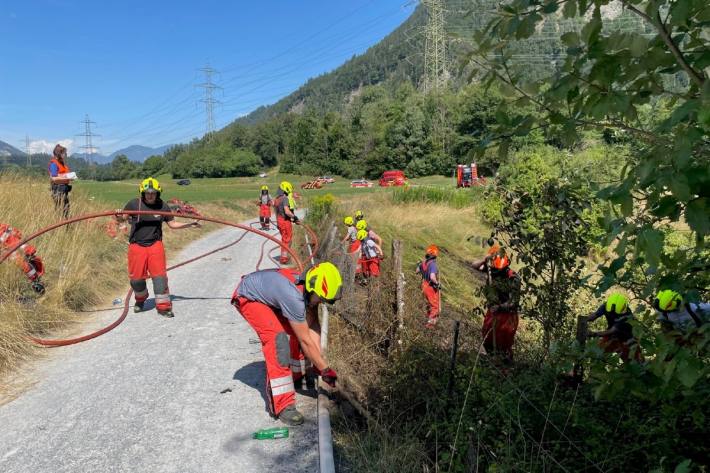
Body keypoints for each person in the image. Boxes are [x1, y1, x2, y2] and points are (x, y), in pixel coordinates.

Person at [232, 262, 341, 425]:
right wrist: (325, 369)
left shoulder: (309, 292)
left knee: (300, 329)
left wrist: (319, 363)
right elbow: (305, 340)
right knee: (278, 340)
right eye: (321, 298)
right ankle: (283, 405)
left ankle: (296, 376)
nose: (321, 302)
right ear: (312, 288)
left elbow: (313, 326)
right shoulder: (293, 297)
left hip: (268, 296)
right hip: (249, 297)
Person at [116, 177, 200, 318]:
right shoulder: (134, 204)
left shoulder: (163, 206)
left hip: (155, 245)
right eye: (147, 193)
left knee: (160, 279)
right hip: (137, 246)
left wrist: (190, 224)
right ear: (142, 193)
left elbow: (172, 224)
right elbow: (122, 219)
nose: (150, 195)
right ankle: (140, 299)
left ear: (158, 193)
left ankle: (164, 307)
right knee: (136, 280)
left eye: (153, 193)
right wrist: (118, 215)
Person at [473, 250, 521, 361]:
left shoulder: (513, 278)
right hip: (493, 312)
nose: (495, 272)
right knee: (487, 338)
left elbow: (514, 302)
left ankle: (505, 367)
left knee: (503, 344)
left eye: (497, 270)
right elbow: (474, 266)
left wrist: (500, 307)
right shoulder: (491, 269)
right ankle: (491, 361)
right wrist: (484, 260)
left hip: (507, 316)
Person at [587, 293, 640, 361]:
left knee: (635, 362)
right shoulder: (606, 306)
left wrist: (594, 334)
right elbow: (594, 316)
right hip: (612, 336)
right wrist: (583, 320)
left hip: (628, 339)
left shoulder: (627, 316)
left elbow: (612, 330)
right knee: (595, 351)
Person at [0, 223, 45, 294]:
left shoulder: (4, 229)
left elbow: (16, 233)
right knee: (24, 261)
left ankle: (36, 280)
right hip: (10, 246)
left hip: (14, 244)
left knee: (27, 257)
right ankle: (36, 280)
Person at [416, 244, 441, 329]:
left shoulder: (423, 263)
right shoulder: (433, 264)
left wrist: (419, 265)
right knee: (434, 306)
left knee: (428, 304)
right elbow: (432, 277)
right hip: (430, 287)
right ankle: (430, 325)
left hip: (423, 285)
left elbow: (417, 271)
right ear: (435, 255)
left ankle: (427, 321)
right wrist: (437, 283)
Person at [273, 181, 298, 264]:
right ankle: (284, 259)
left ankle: (286, 256)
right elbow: (287, 212)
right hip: (285, 221)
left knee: (285, 239)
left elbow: (276, 212)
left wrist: (277, 223)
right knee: (287, 240)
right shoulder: (285, 199)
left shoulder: (276, 199)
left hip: (279, 220)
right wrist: (294, 217)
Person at [48, 144, 72, 218]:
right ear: (59, 153)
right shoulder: (54, 164)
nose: (65, 155)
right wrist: (66, 176)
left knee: (66, 208)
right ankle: (59, 224)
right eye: (64, 153)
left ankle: (65, 224)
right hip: (58, 189)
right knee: (59, 209)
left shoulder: (62, 163)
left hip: (64, 189)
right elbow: (54, 178)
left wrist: (70, 177)